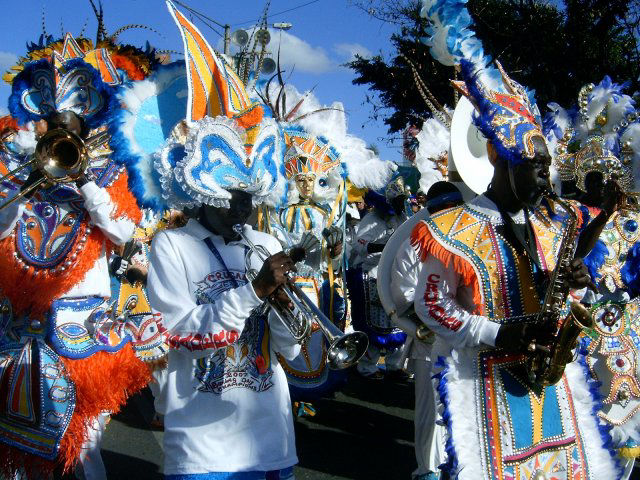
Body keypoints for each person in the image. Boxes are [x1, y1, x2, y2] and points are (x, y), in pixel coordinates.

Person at [408, 60, 620, 478]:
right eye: (537, 166)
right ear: (499, 156)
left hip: (552, 387)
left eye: (547, 166)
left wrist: (577, 284)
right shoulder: (451, 227)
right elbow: (431, 304)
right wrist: (498, 332)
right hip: (487, 386)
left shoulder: (550, 224)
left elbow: (558, 295)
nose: (547, 175)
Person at [0, 33, 159, 478]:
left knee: (83, 445)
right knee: (15, 442)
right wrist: (21, 186)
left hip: (80, 330)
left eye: (67, 128)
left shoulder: (112, 175)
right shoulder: (22, 175)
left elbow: (123, 232)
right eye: (53, 126)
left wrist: (86, 179)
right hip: (20, 324)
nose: (58, 135)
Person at [549, 77, 640, 479]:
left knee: (625, 424)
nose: (604, 189)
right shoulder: (571, 219)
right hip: (577, 331)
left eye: (610, 181)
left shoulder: (636, 223)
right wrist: (600, 216)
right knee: (579, 421)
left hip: (626, 335)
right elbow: (574, 260)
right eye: (594, 182)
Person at [390, 181, 463, 480]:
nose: (450, 215)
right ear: (431, 212)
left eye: (455, 209)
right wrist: (438, 325)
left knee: (466, 411)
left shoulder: (474, 241)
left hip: (468, 341)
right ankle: (428, 471)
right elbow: (403, 296)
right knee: (431, 413)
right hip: (430, 342)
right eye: (443, 210)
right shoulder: (413, 244)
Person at [350, 175, 410, 380]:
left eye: (404, 199)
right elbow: (359, 245)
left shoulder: (402, 218)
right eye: (398, 199)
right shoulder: (372, 219)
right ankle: (367, 366)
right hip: (371, 275)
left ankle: (395, 365)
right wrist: (386, 246)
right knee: (372, 321)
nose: (403, 203)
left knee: (397, 319)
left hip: (395, 275)